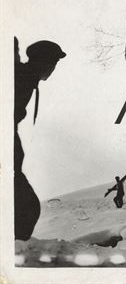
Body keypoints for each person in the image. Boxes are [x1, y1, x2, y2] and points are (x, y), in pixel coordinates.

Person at [14, 38, 66, 241]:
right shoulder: (22, 76)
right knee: (28, 207)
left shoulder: (26, 77)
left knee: (27, 207)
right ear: (42, 62)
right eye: (53, 62)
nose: (53, 68)